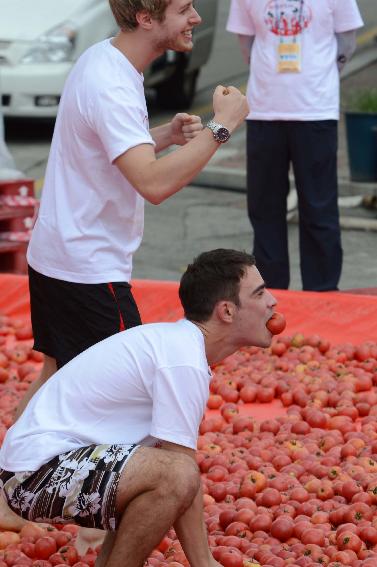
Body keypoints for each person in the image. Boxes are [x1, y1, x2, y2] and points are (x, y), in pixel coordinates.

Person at [0, 248, 277, 567]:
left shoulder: (178, 346)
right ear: (226, 311)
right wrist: (204, 562)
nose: (273, 301)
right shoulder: (182, 359)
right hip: (35, 475)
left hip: (39, 467)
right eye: (260, 293)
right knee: (176, 471)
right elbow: (180, 470)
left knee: (160, 470)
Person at [226, 0, 363, 291]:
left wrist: (319, 72)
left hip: (315, 109)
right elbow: (246, 44)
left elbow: (347, 42)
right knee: (264, 207)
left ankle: (322, 291)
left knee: (319, 207)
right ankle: (271, 293)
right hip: (263, 110)